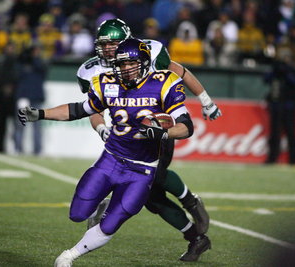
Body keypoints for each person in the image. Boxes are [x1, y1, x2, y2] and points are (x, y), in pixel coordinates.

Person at [18, 38, 195, 267]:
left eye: (130, 63)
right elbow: (79, 110)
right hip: (110, 161)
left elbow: (186, 126)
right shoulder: (108, 83)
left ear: (144, 62)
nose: (125, 69)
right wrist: (41, 114)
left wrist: (162, 134)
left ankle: (69, 256)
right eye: (121, 64)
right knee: (77, 214)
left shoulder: (164, 82)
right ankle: (100, 205)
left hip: (141, 171)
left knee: (111, 224)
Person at [77, 19, 221, 261]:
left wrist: (206, 100)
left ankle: (190, 202)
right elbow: (94, 111)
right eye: (104, 45)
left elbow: (181, 71)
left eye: (112, 44)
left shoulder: (151, 51)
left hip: (155, 128)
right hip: (126, 136)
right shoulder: (92, 71)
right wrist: (102, 129)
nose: (107, 50)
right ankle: (197, 238)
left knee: (156, 178)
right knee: (152, 200)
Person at [264, 47, 295, 165]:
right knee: (274, 133)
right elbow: (266, 79)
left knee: (290, 132)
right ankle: (272, 157)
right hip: (276, 105)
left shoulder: (293, 69)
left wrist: (286, 71)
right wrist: (275, 70)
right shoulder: (276, 69)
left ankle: (293, 159)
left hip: (289, 105)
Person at [14, 44, 47, 155]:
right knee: (20, 124)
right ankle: (18, 149)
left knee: (37, 127)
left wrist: (34, 58)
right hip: (23, 96)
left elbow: (43, 69)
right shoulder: (22, 62)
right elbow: (16, 73)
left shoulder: (39, 62)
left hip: (36, 98)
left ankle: (37, 150)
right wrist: (25, 56)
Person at [0, 42, 19, 153]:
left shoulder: (17, 64)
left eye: (12, 48)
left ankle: (17, 148)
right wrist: (4, 88)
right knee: (1, 124)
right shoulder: (0, 62)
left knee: (17, 124)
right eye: (9, 48)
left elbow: (19, 78)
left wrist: (12, 87)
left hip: (14, 98)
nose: (10, 51)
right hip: (1, 97)